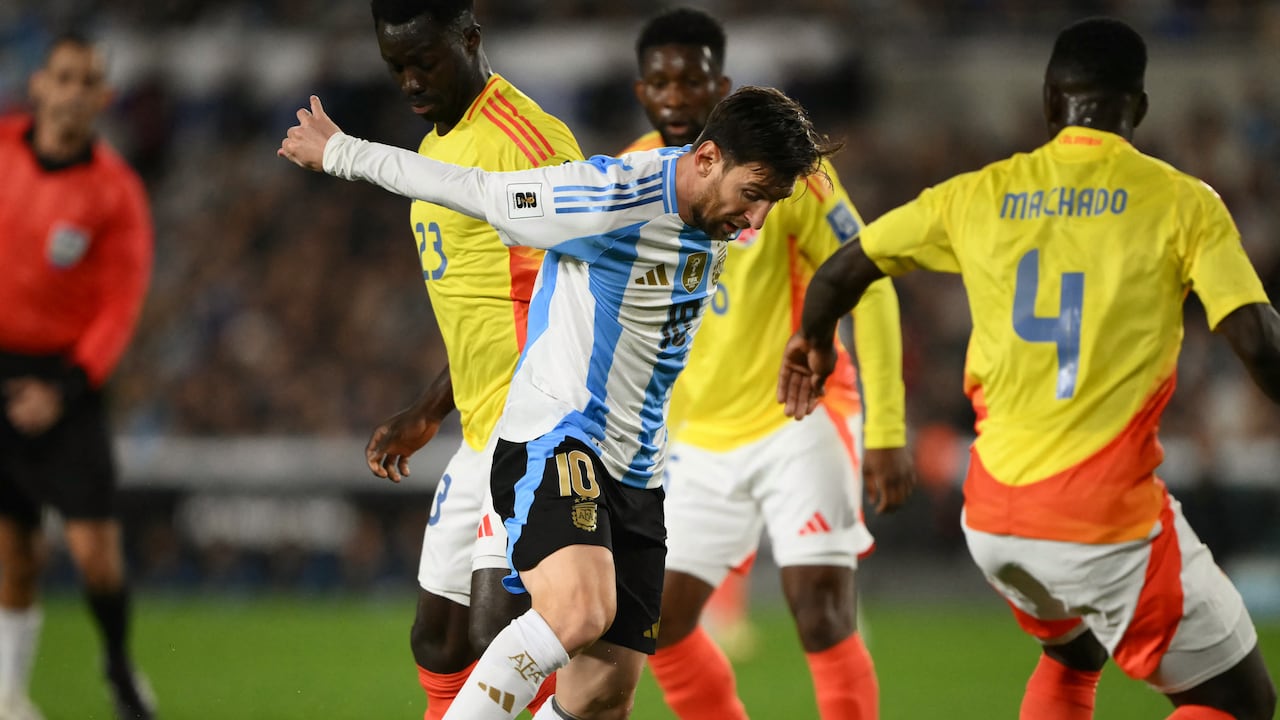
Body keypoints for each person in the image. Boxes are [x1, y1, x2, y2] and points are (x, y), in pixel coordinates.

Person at [280, 83, 836, 718]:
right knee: (577, 612)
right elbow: (478, 190)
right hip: (560, 435)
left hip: (637, 469)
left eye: (771, 202)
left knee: (602, 696)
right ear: (707, 159)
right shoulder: (610, 196)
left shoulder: (708, 210)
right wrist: (343, 153)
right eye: (753, 194)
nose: (757, 221)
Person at [779, 17, 1278, 720]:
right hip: (1100, 517)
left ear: (1049, 100)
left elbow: (843, 268)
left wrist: (817, 342)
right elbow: (1258, 342)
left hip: (994, 517)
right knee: (1240, 700)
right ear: (1137, 107)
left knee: (1074, 654)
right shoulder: (1182, 201)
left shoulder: (978, 193)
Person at [622, 8, 915, 719]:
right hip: (695, 438)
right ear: (641, 90)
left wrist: (886, 430)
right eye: (660, 82)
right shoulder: (627, 176)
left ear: (719, 88)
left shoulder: (787, 175)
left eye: (691, 82)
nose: (675, 98)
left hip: (799, 418)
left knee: (819, 610)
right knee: (656, 624)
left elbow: (869, 283)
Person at [356, 1, 582, 717]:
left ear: (470, 38)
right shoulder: (435, 147)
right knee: (440, 639)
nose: (411, 82)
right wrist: (430, 409)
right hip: (482, 429)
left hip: (541, 429)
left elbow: (582, 287)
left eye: (425, 61)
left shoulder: (526, 142)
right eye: (396, 67)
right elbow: (489, 312)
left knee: (502, 635)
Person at [0, 33, 156, 720]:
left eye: (86, 81)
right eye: (62, 76)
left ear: (103, 97)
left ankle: (118, 664)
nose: (71, 91)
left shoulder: (115, 192)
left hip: (68, 381)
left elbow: (119, 306)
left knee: (95, 553)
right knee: (16, 551)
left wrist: (63, 389)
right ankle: (8, 695)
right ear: (39, 84)